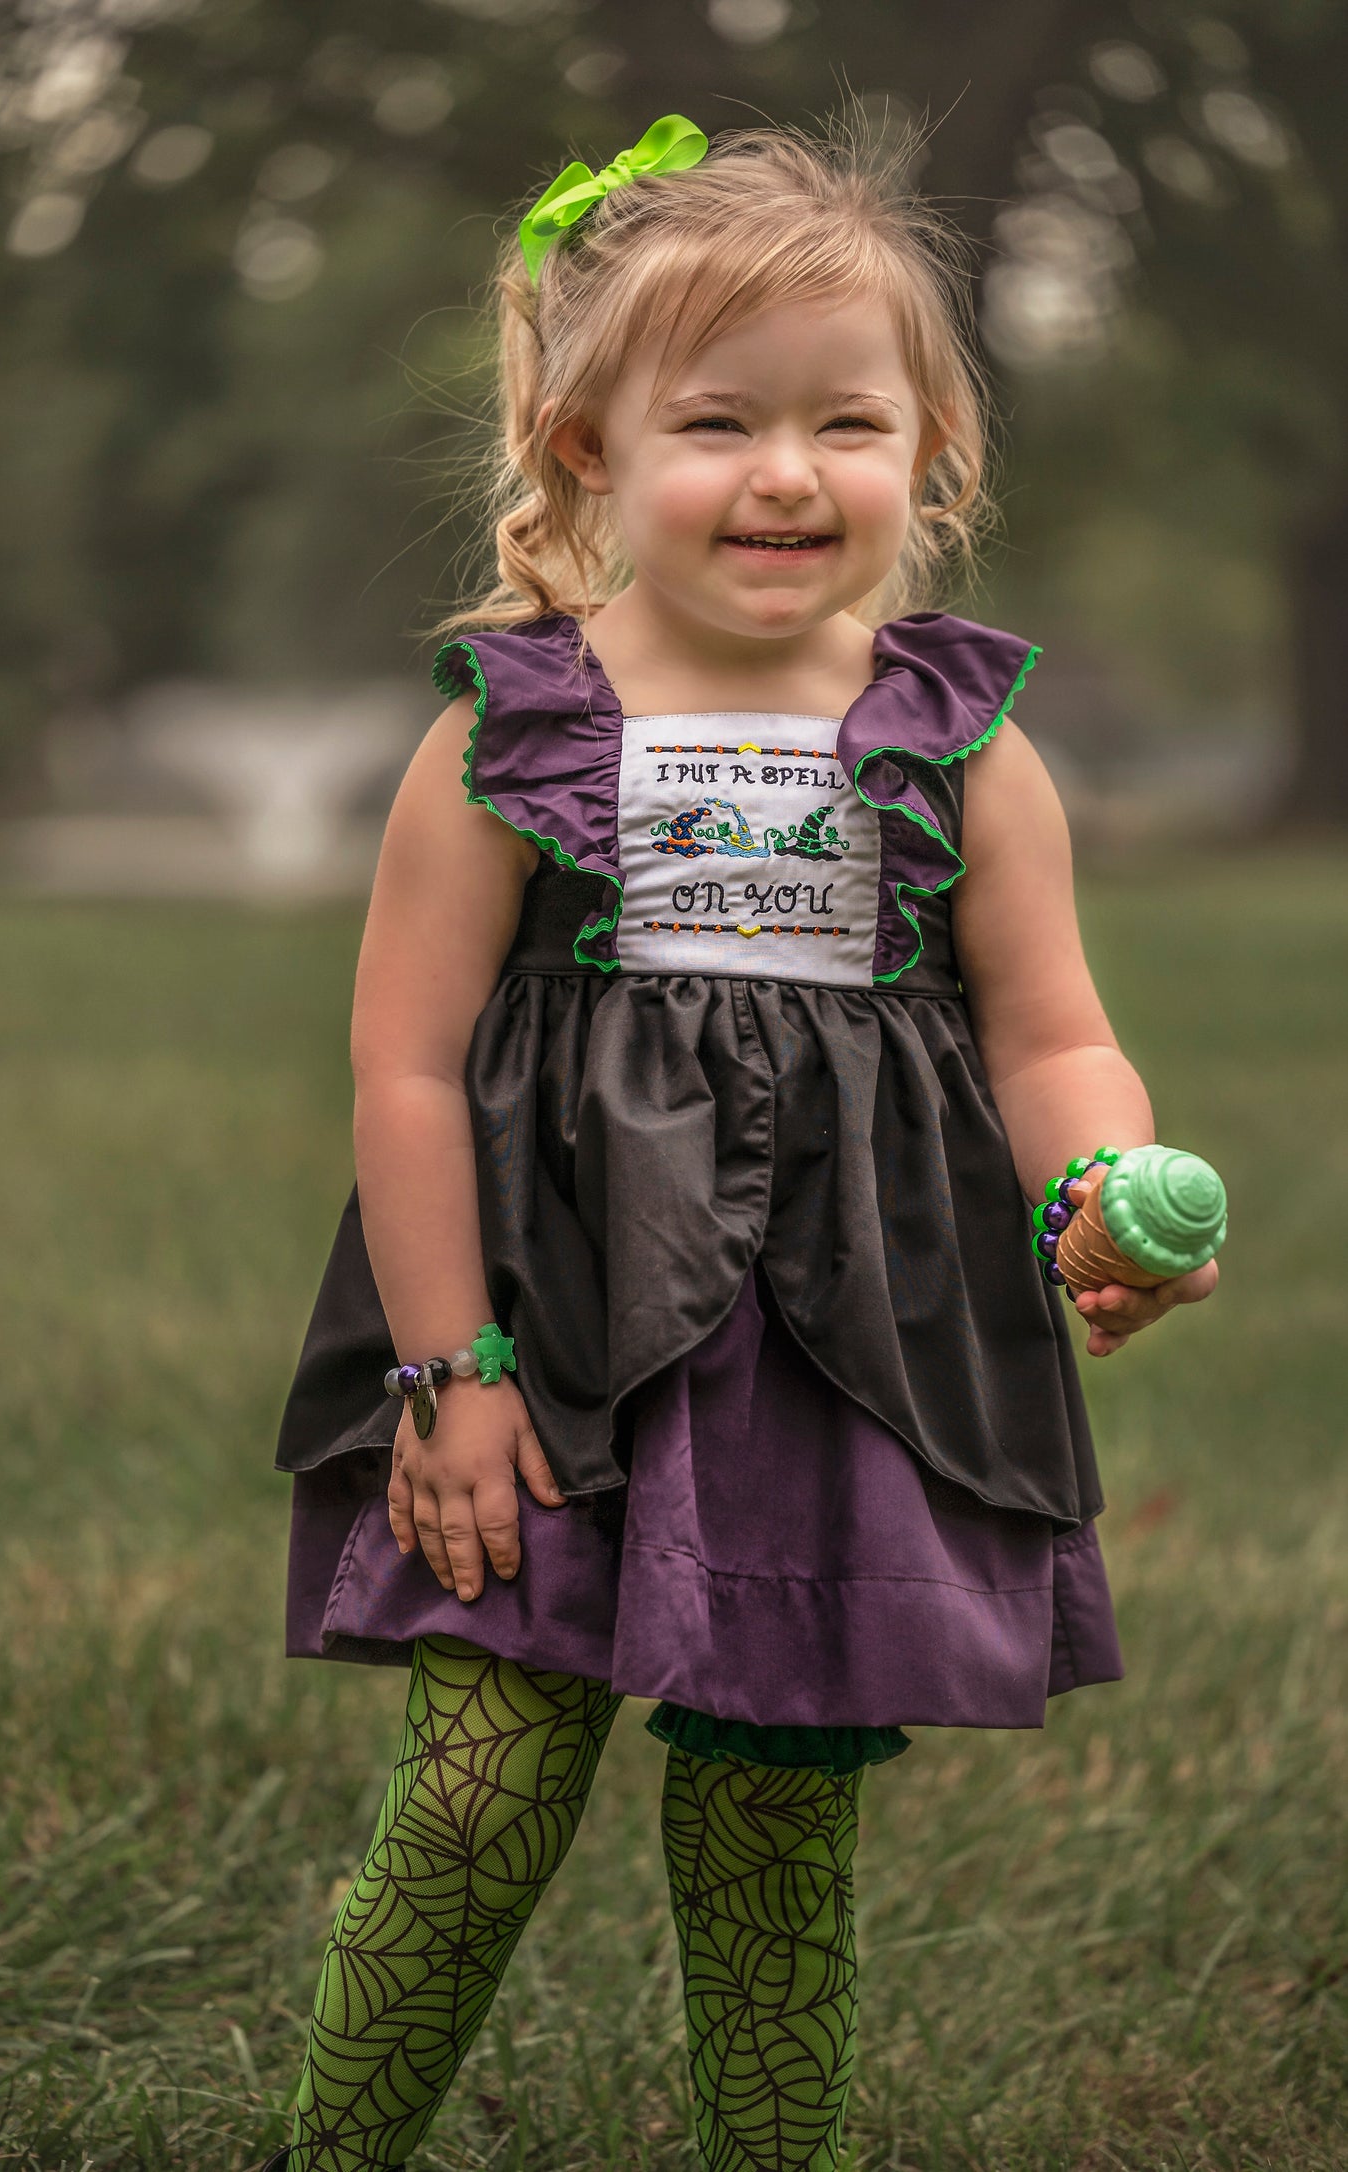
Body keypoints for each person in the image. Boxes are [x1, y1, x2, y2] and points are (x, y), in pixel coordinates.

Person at [263, 112, 1218, 2172]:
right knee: (481, 1804)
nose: (788, 474)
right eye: (717, 421)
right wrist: (446, 1377)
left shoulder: (961, 745)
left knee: (779, 1822)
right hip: (546, 1352)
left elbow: (1051, 1033)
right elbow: (408, 1072)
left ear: (932, 456)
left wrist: (1091, 1193)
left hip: (836, 1369)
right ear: (590, 445)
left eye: (848, 423)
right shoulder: (510, 734)